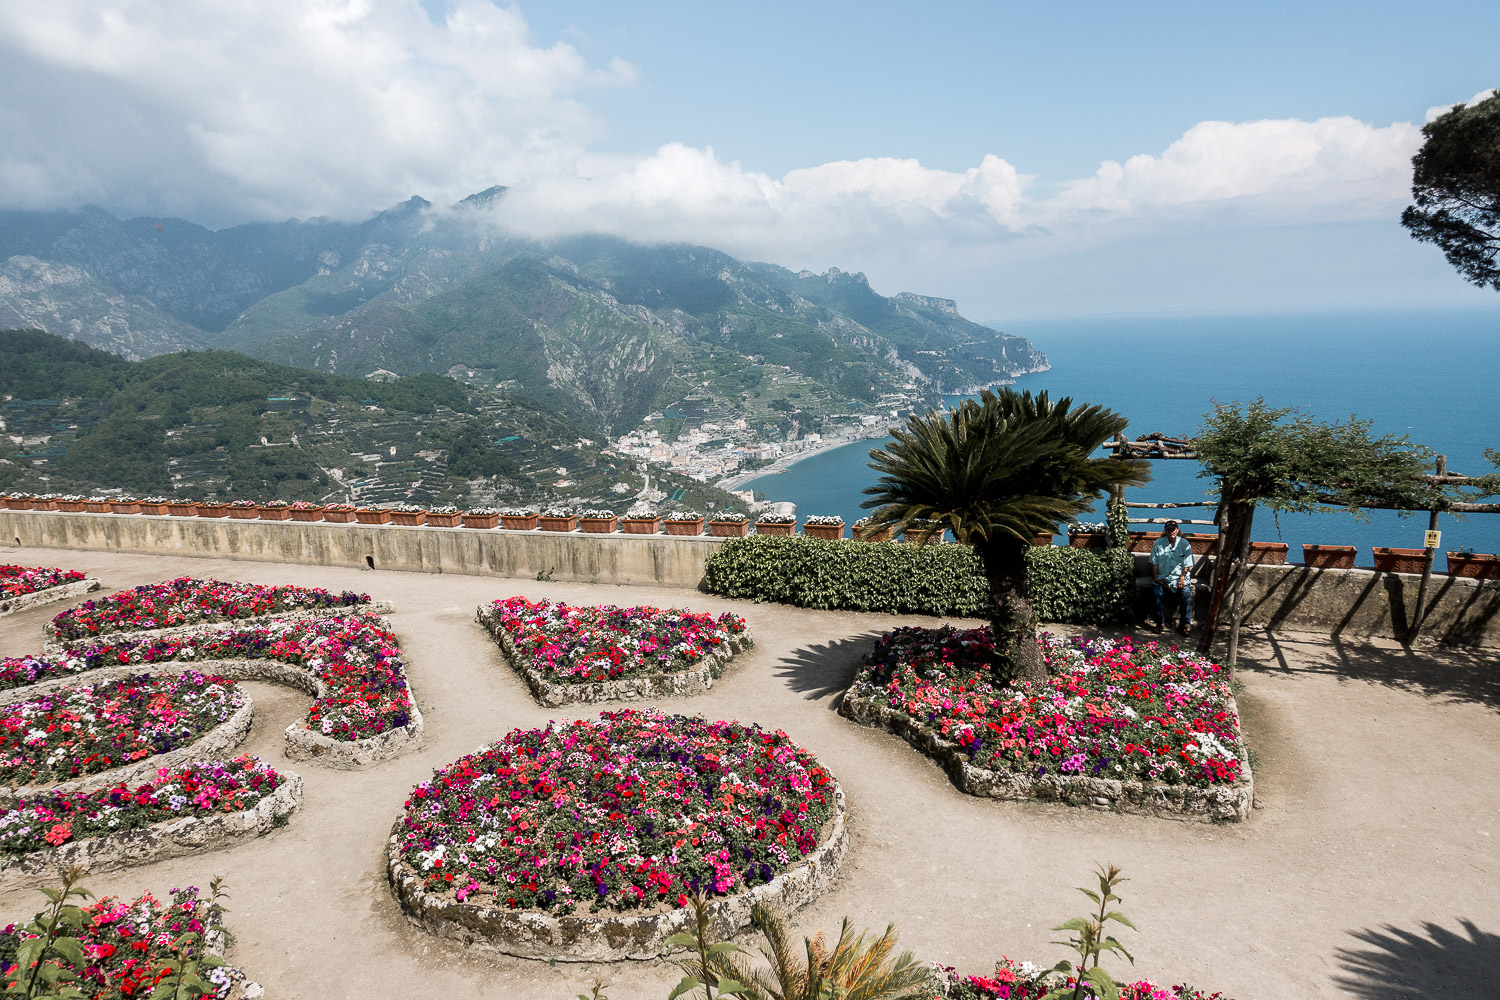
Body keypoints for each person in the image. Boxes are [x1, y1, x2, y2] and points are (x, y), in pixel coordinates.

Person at [1149, 520, 1194, 635]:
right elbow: (1154, 563)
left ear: (1177, 530)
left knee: (1187, 593)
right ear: (1165, 530)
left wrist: (1182, 578)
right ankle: (1159, 623)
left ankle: (1183, 625)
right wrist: (1156, 578)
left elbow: (1188, 564)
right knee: (1156, 593)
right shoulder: (1158, 543)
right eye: (1169, 529)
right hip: (1163, 578)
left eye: (1173, 529)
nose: (1171, 531)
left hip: (1180, 579)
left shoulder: (1184, 544)